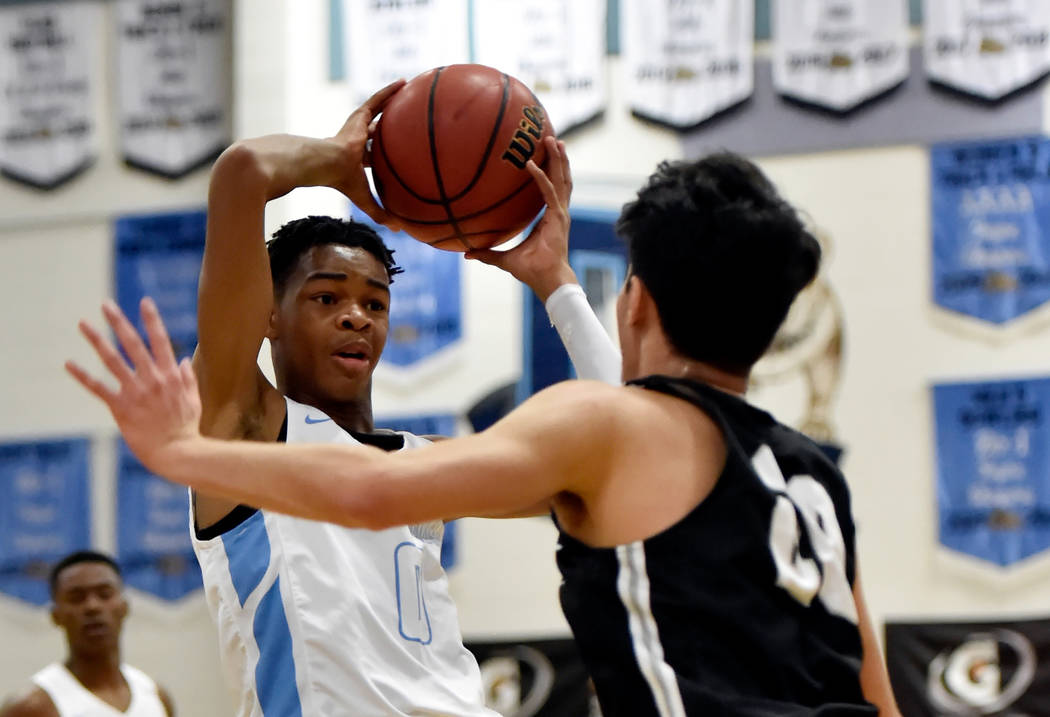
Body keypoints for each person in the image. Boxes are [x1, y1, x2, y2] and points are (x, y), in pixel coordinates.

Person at [68, 148, 903, 715]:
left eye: (374, 301)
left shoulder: (430, 464)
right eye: (326, 298)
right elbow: (243, 172)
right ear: (269, 321)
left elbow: (633, 428)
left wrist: (172, 449)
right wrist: (336, 160)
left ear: (637, 302)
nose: (357, 315)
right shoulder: (250, 436)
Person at [0, 551, 174, 717]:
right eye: (76, 597)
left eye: (104, 594)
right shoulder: (31, 708)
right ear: (55, 615)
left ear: (124, 607)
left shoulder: (156, 696)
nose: (92, 606)